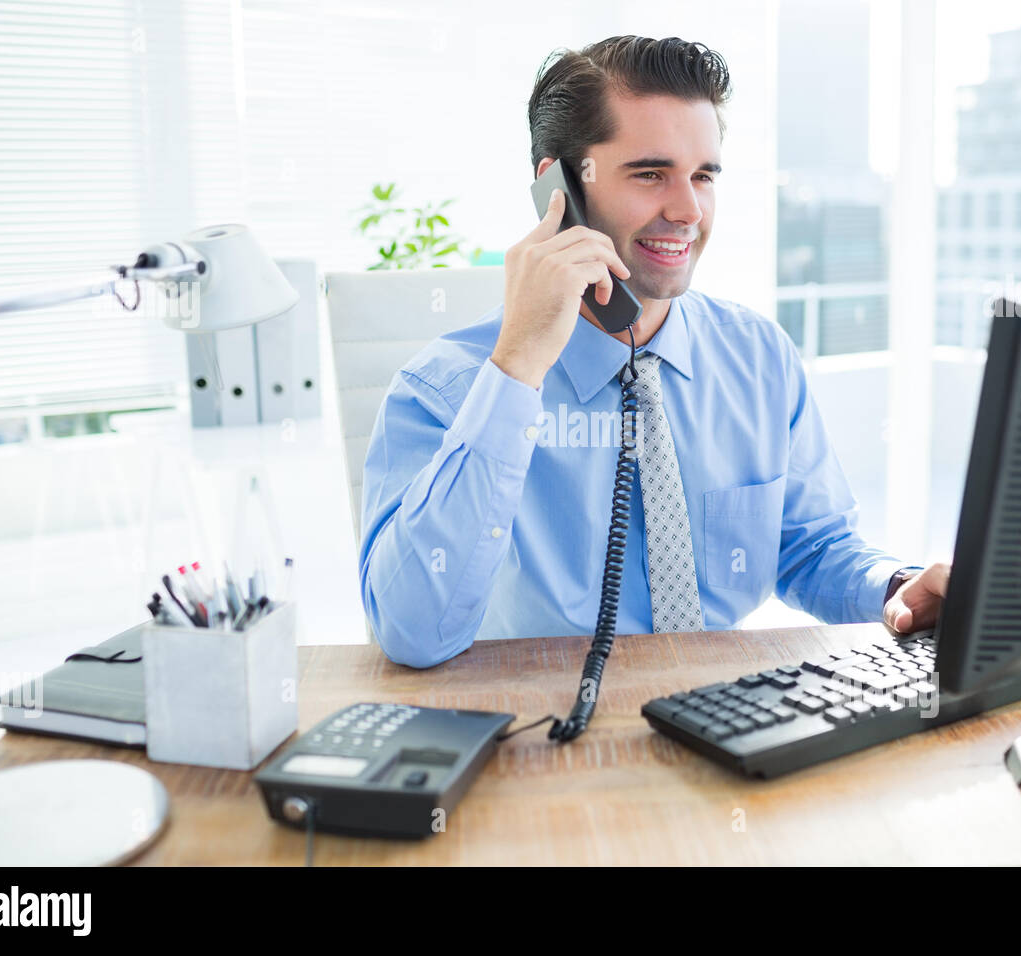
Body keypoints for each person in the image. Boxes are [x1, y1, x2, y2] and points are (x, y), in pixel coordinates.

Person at [360, 35, 949, 668]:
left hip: (729, 726)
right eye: (650, 174)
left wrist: (895, 588)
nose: (688, 209)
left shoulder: (758, 358)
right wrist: (518, 369)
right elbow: (411, 631)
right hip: (547, 731)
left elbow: (810, 546)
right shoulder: (445, 387)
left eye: (703, 176)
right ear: (559, 188)